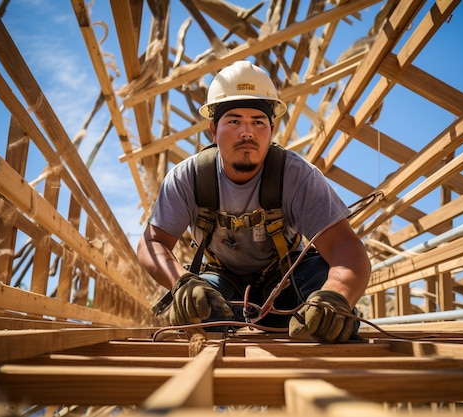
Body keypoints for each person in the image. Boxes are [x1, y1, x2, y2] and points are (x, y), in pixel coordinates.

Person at [137, 60, 371, 343]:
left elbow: (344, 245)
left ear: (271, 129)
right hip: (220, 285)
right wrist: (181, 282)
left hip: (286, 281)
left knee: (322, 304)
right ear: (214, 130)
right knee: (199, 312)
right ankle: (211, 315)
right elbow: (153, 242)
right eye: (234, 121)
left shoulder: (297, 176)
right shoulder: (190, 177)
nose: (246, 132)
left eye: (257, 122)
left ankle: (319, 315)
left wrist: (337, 293)